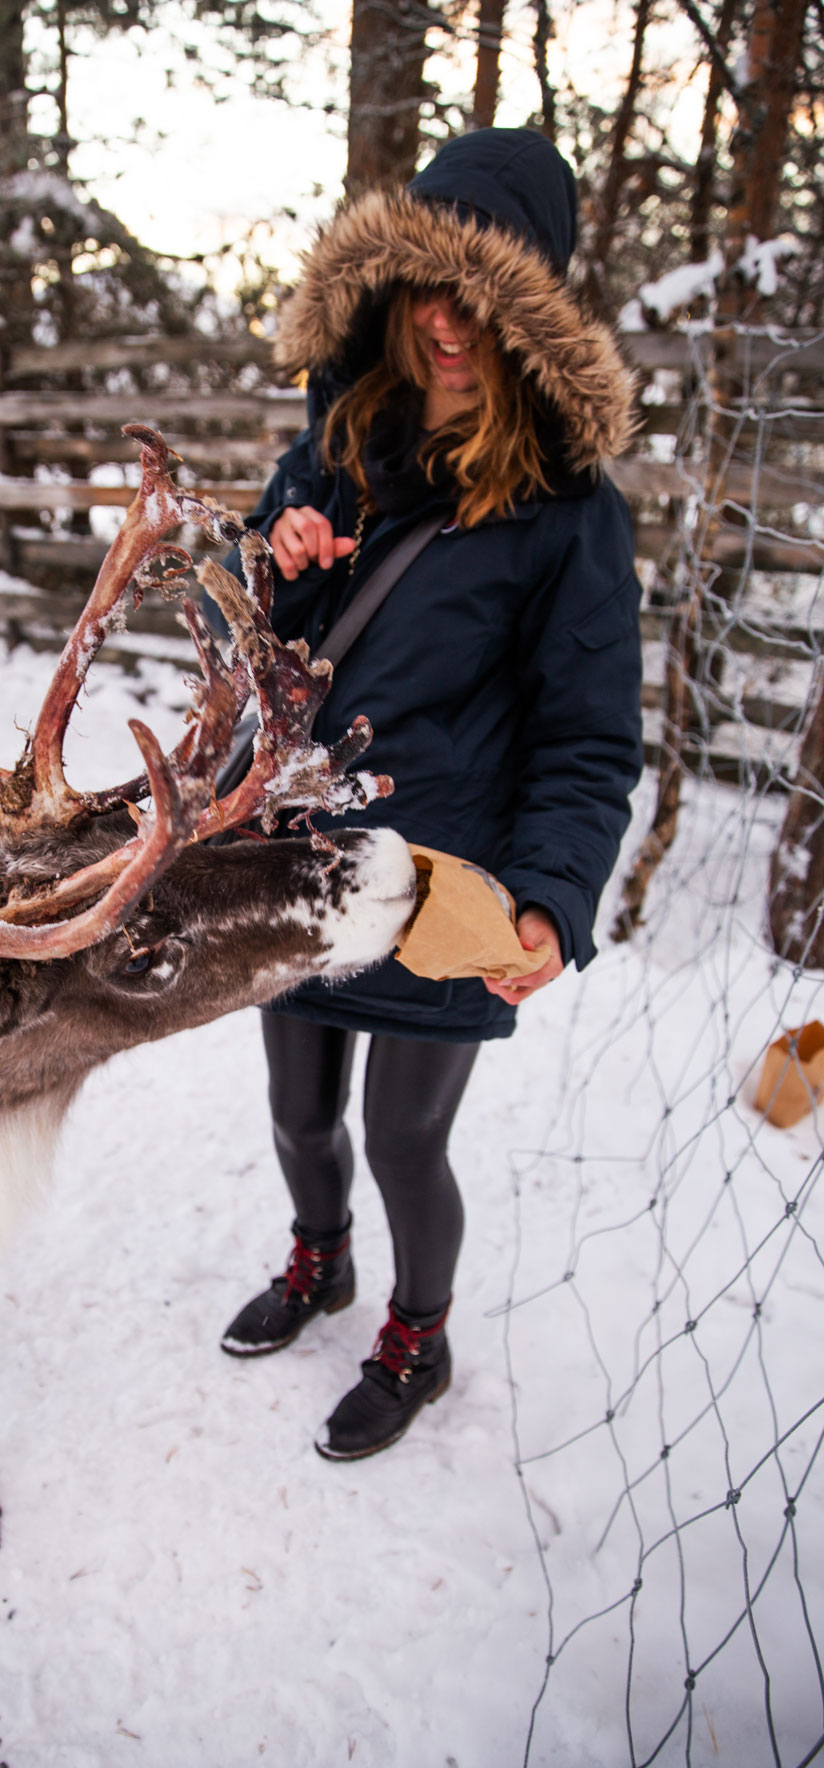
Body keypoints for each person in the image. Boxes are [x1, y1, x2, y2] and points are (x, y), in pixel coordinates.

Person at [219, 127, 644, 1461]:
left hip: (442, 884)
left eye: (487, 293)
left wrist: (552, 897)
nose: (451, 322)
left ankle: (419, 1336)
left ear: (529, 317)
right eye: (429, 286)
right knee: (297, 1111)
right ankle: (320, 1260)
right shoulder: (335, 442)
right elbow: (265, 653)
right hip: (300, 856)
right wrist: (277, 566)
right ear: (393, 291)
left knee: (406, 1138)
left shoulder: (572, 511)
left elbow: (589, 735)